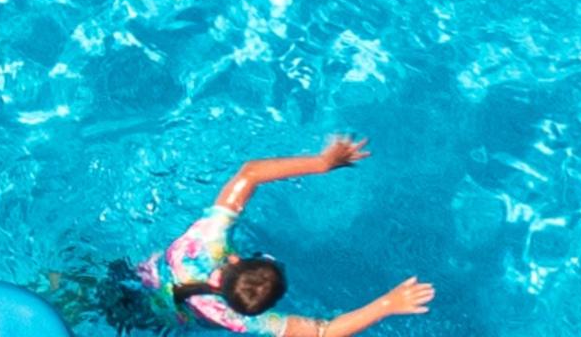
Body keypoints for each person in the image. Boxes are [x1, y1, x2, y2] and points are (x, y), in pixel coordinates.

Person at [137, 136, 434, 336]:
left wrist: (323, 163)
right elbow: (325, 332)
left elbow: (249, 173)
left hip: (141, 280)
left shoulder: (205, 244)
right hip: (164, 322)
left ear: (234, 259)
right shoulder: (248, 321)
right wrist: (388, 304)